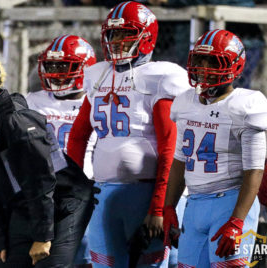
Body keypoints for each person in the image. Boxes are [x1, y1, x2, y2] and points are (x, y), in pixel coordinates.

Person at [66, 2, 190, 267]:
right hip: (102, 191)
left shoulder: (158, 77)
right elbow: (78, 136)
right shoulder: (98, 76)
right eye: (113, 34)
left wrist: (159, 206)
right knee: (103, 264)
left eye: (125, 34)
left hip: (146, 193)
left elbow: (171, 147)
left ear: (146, 37)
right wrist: (74, 188)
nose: (117, 41)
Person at [0, 49, 95, 267]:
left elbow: (41, 179)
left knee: (49, 264)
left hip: (64, 199)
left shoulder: (15, 120)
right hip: (24, 201)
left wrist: (43, 236)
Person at [163, 29, 267, 267]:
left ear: (235, 66)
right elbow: (180, 160)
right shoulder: (184, 101)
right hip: (194, 203)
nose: (204, 67)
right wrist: (168, 205)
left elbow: (255, 171)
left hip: (230, 202)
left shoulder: (247, 105)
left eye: (214, 61)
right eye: (200, 60)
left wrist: (237, 220)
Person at [26, 35, 97, 268]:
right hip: (43, 196)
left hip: (85, 195)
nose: (56, 71)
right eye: (52, 65)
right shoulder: (30, 101)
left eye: (64, 65)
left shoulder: (97, 101)